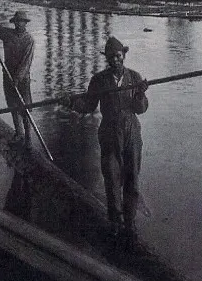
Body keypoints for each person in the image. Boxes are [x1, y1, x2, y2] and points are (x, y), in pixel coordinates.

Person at [63, 36, 149, 239]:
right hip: (109, 132)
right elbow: (89, 105)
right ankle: (115, 221)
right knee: (111, 177)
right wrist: (70, 103)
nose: (115, 60)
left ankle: (129, 222)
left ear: (124, 55)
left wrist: (140, 95)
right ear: (107, 59)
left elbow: (141, 109)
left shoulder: (135, 78)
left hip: (132, 132)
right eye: (111, 57)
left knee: (132, 179)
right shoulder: (99, 80)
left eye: (118, 56)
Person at [0, 10, 35, 145]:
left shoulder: (29, 41)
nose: (19, 24)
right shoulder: (8, 34)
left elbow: (26, 63)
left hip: (22, 79)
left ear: (25, 23)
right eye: (17, 22)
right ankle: (19, 133)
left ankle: (28, 137)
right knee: (12, 104)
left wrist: (17, 78)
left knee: (25, 106)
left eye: (21, 22)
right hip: (7, 74)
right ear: (14, 22)